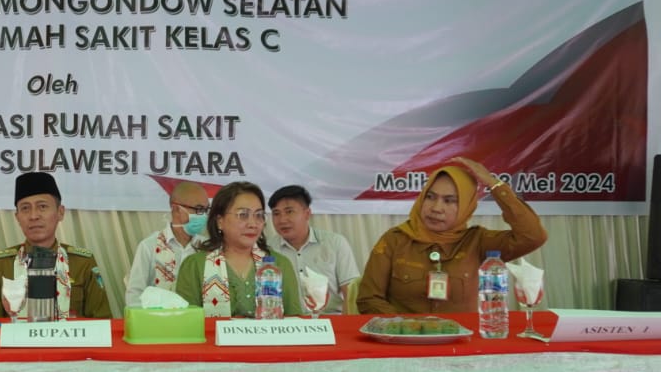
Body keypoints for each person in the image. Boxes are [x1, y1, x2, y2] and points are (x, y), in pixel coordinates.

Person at [357, 156, 547, 314]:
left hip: (461, 341)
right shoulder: (395, 240)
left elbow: (533, 236)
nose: (436, 208)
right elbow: (369, 299)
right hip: (405, 339)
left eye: (449, 201)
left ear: (466, 206)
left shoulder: (478, 242)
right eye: (430, 197)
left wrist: (495, 185)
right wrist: (407, 328)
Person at [0, 172, 111, 319]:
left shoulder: (82, 263)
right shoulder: (0, 264)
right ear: (17, 217)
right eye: (25, 208)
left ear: (60, 212)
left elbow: (102, 322)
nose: (33, 216)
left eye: (42, 206)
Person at [176, 181, 304, 317]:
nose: (253, 224)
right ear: (220, 221)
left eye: (258, 215)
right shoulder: (194, 266)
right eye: (243, 215)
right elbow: (185, 323)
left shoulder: (279, 264)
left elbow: (295, 321)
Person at [268, 184, 360, 314]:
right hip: (286, 322)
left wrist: (346, 324)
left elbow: (351, 293)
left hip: (329, 319)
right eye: (276, 213)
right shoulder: (267, 250)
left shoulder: (335, 243)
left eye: (289, 211)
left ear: (307, 214)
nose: (282, 220)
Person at [124, 181, 210, 308]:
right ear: (176, 209)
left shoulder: (208, 248)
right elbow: (134, 296)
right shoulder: (149, 246)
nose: (203, 215)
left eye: (206, 210)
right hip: (158, 318)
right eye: (198, 209)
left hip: (198, 318)